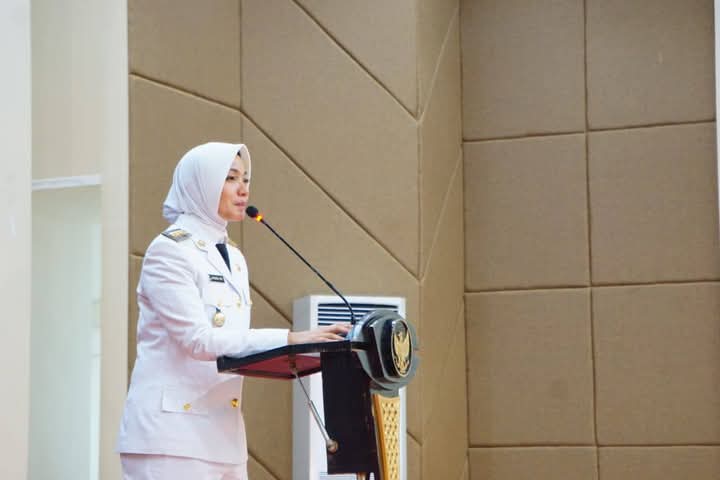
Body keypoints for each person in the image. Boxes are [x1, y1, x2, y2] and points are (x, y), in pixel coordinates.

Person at [117, 142, 349, 480]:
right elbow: (198, 340)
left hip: (224, 436)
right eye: (230, 178)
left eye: (246, 179)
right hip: (170, 436)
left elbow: (234, 343)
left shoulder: (235, 258)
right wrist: (289, 339)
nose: (243, 189)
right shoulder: (168, 251)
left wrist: (299, 348)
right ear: (200, 183)